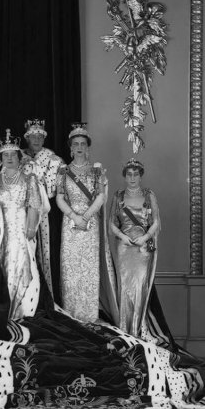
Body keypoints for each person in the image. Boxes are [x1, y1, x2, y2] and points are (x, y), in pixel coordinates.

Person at [56, 123, 119, 324]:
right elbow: (59, 198)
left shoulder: (96, 171)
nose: (80, 147)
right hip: (70, 223)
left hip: (90, 223)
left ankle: (90, 316)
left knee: (89, 269)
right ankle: (71, 316)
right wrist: (74, 217)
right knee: (71, 269)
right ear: (71, 148)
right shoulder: (63, 171)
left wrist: (85, 217)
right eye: (76, 144)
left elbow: (100, 197)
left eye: (83, 143)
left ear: (88, 147)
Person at [0, 129, 42, 320]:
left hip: (20, 228)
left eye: (13, 154)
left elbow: (35, 204)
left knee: (18, 264)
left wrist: (30, 229)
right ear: (0, 158)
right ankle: (0, 306)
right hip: (0, 230)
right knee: (1, 265)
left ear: (20, 157)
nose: (9, 158)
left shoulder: (29, 179)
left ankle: (18, 308)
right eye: (5, 155)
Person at [109, 158, 161, 337]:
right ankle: (124, 329)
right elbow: (111, 224)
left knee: (139, 286)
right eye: (129, 174)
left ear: (140, 176)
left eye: (136, 174)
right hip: (124, 247)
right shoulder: (118, 196)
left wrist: (145, 238)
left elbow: (156, 222)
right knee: (125, 286)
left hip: (142, 248)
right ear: (124, 176)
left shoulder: (149, 195)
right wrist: (123, 237)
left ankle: (138, 329)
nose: (132, 178)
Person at [21, 119, 64, 303]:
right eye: (33, 136)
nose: (36, 139)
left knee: (46, 253)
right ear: (27, 138)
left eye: (40, 136)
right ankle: (25, 297)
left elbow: (54, 188)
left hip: (45, 212)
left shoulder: (53, 159)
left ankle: (48, 298)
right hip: (22, 211)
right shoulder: (18, 155)